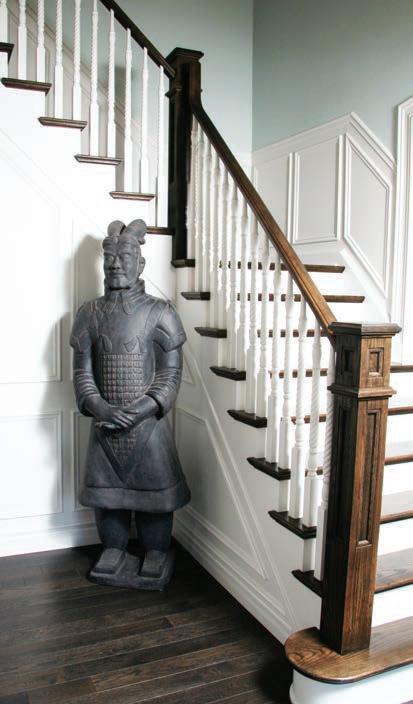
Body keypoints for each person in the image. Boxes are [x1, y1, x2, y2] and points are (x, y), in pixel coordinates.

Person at [70, 218, 189, 588]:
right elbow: (82, 372)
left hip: (149, 426)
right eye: (109, 258)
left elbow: (170, 373)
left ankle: (156, 552)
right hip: (104, 424)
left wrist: (143, 408)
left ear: (141, 263)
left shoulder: (161, 312)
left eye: (124, 257)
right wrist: (100, 407)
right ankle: (114, 549)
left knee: (155, 499)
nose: (115, 264)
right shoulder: (88, 313)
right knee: (108, 499)